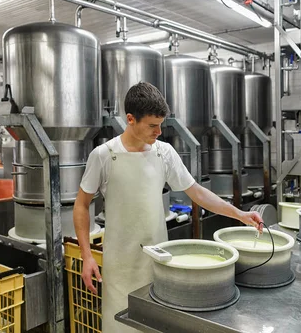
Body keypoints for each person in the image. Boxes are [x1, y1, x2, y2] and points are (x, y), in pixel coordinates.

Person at [73, 82, 263, 333]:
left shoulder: (164, 153)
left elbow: (196, 192)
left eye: (161, 124)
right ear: (131, 119)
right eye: (152, 125)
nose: (159, 131)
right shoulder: (104, 155)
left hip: (159, 262)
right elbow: (81, 205)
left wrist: (238, 214)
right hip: (119, 266)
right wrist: (87, 256)